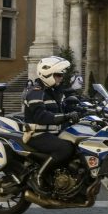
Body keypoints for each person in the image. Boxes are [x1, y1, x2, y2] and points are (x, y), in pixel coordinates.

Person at [22, 57, 81, 187]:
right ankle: (39, 176)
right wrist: (66, 116)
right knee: (65, 148)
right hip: (37, 135)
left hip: (52, 133)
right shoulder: (35, 93)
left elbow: (64, 108)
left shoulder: (52, 92)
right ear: (48, 74)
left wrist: (83, 110)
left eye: (61, 75)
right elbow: (41, 117)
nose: (61, 78)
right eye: (58, 75)